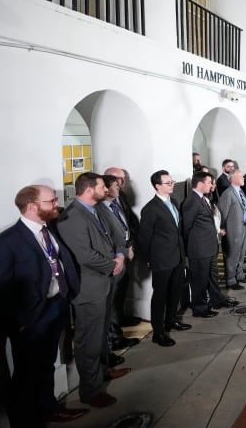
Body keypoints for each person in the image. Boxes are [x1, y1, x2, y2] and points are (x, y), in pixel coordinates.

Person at [0, 185, 88, 425]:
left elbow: (59, 262)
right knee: (26, 373)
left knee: (47, 364)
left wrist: (67, 294)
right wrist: (19, 323)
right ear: (32, 206)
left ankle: (48, 409)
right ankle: (26, 420)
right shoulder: (5, 244)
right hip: (30, 319)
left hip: (55, 307)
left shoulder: (48, 230)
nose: (56, 205)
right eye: (51, 201)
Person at [57, 172, 129, 408]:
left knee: (100, 335)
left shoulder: (96, 209)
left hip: (105, 282)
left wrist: (119, 255)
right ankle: (91, 390)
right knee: (88, 340)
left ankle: (102, 371)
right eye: (101, 186)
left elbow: (117, 235)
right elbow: (83, 254)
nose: (106, 189)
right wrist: (112, 265)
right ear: (89, 189)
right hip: (89, 288)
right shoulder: (72, 217)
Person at [138, 170, 191, 348]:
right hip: (161, 259)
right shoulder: (150, 209)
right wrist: (147, 259)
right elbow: (144, 238)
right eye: (168, 183)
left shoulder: (174, 202)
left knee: (175, 291)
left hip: (177, 257)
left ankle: (171, 321)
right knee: (160, 296)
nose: (172, 185)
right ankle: (158, 332)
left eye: (172, 181)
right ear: (157, 186)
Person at [182, 171, 237, 318]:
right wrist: (192, 247)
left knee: (213, 276)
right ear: (200, 184)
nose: (212, 185)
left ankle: (217, 300)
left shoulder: (204, 198)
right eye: (209, 183)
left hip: (210, 246)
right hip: (199, 249)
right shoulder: (191, 201)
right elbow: (186, 227)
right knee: (200, 279)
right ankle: (199, 308)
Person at [98, 175, 138, 366]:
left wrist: (129, 246)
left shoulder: (118, 202)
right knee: (110, 302)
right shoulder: (100, 210)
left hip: (125, 254)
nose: (118, 189)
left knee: (119, 298)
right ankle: (112, 339)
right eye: (115, 186)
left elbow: (125, 227)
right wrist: (121, 253)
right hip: (113, 261)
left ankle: (117, 334)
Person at [218, 169, 246, 290]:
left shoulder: (240, 191)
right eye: (241, 177)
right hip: (233, 229)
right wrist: (222, 228)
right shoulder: (228, 194)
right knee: (232, 255)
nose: (243, 179)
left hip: (243, 226)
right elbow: (222, 213)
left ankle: (239, 275)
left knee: (241, 253)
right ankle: (231, 280)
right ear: (233, 179)